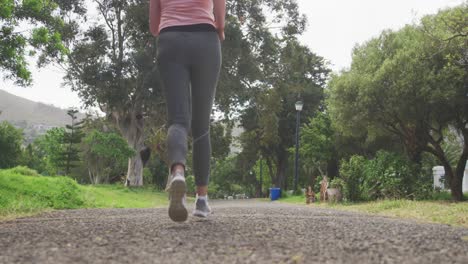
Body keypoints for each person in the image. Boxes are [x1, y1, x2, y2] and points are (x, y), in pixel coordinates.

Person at [149, 0, 226, 222]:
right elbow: (219, 15)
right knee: (201, 125)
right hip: (205, 40)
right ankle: (201, 201)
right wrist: (219, 30)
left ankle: (178, 173)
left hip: (170, 40)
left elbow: (154, 27)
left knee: (178, 120)